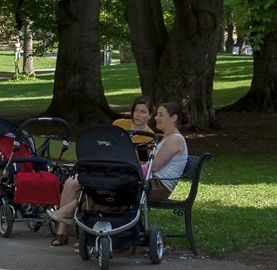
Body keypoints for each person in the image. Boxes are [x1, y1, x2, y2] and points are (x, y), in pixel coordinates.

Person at [47, 96, 156, 247]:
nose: (138, 114)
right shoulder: (119, 125)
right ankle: (62, 231)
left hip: (124, 174)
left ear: (150, 115)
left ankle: (83, 231)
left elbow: (142, 164)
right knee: (71, 182)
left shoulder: (148, 137)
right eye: (136, 111)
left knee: (98, 187)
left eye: (143, 112)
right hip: (104, 167)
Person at [146, 102, 190, 202]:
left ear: (173, 118)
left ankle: (117, 216)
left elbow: (154, 166)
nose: (156, 118)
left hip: (159, 187)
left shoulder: (175, 139)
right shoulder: (167, 137)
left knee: (121, 185)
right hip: (152, 183)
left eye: (161, 115)